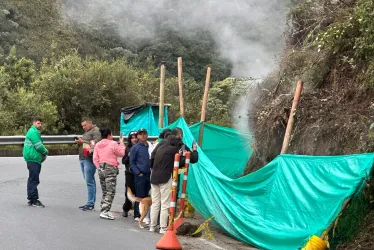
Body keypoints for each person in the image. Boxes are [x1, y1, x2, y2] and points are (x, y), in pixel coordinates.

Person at [149, 128, 198, 233]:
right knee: (166, 203)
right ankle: (163, 227)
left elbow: (151, 158)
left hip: (154, 176)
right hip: (167, 176)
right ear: (179, 136)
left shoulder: (160, 145)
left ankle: (152, 226)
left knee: (155, 202)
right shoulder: (177, 147)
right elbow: (191, 159)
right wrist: (194, 150)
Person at [93, 127, 125, 220]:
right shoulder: (113, 143)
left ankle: (103, 206)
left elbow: (95, 158)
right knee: (110, 191)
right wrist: (122, 143)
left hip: (101, 167)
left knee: (105, 190)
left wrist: (99, 167)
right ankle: (105, 211)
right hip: (110, 168)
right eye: (111, 134)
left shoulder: (98, 144)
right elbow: (121, 153)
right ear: (109, 135)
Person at [75, 117, 101, 211]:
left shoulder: (96, 131)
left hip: (89, 159)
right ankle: (90, 202)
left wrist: (83, 141)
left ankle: (90, 203)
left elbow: (97, 144)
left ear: (90, 123)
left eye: (85, 125)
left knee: (90, 181)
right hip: (83, 158)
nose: (83, 127)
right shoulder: (87, 131)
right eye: (82, 126)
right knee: (88, 180)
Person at [23, 116, 49, 208]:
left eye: (40, 123)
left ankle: (30, 198)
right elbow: (39, 146)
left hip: (31, 158)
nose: (40, 125)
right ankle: (34, 200)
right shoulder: (34, 132)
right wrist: (46, 152)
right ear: (34, 123)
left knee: (31, 178)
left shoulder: (32, 131)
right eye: (38, 123)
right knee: (34, 179)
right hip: (33, 158)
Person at [130, 128, 152, 220]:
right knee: (139, 195)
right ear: (138, 136)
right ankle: (137, 215)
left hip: (150, 174)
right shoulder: (135, 147)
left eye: (144, 134)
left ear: (147, 135)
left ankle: (145, 214)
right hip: (140, 175)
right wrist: (138, 172)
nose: (143, 136)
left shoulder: (150, 146)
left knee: (148, 195)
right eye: (141, 134)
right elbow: (132, 162)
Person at [121, 131, 140, 219]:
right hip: (129, 173)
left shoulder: (142, 147)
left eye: (136, 137)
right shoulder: (128, 148)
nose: (134, 139)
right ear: (130, 139)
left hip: (139, 173)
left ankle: (137, 214)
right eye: (132, 138)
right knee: (129, 193)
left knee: (139, 193)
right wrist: (128, 155)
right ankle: (126, 208)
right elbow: (123, 161)